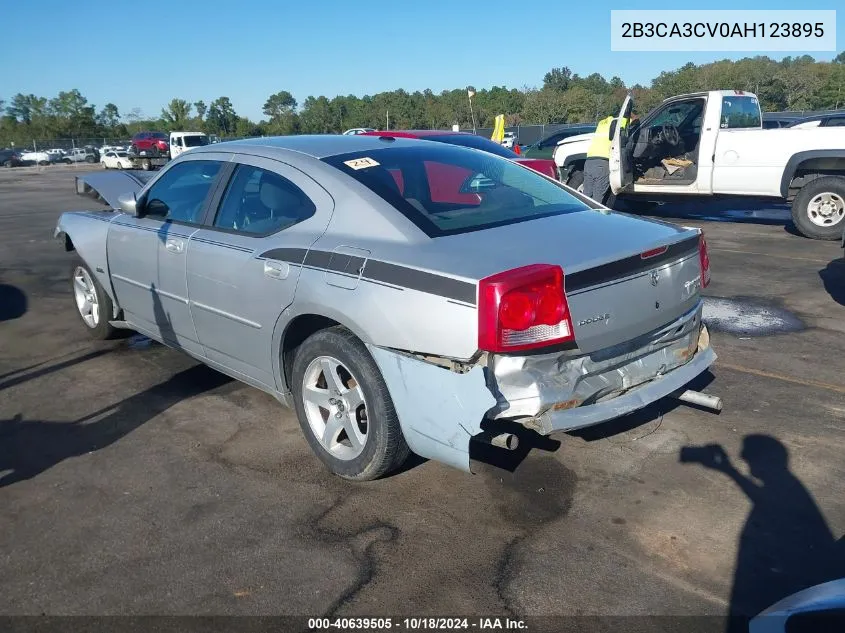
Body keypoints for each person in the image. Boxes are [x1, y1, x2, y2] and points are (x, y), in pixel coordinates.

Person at [582, 113, 635, 204]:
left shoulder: (602, 122)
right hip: (602, 163)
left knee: (586, 195)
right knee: (597, 198)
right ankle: (595, 217)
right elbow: (635, 121)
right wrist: (630, 113)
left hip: (589, 162)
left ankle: (581, 216)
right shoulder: (619, 121)